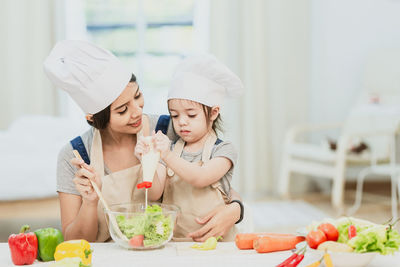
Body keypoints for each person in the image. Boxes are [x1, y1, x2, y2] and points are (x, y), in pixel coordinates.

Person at [43, 40, 243, 242]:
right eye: (123, 110)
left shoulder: (171, 131)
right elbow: (74, 241)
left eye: (138, 96)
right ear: (92, 118)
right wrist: (89, 201)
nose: (138, 111)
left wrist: (235, 210)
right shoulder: (76, 155)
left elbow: (214, 182)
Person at [135, 54, 244, 241]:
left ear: (214, 113)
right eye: (175, 116)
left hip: (216, 243)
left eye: (191, 115)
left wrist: (167, 155)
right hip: (175, 241)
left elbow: (200, 178)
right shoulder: (169, 148)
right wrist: (146, 161)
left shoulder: (224, 150)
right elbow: (154, 193)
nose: (181, 122)